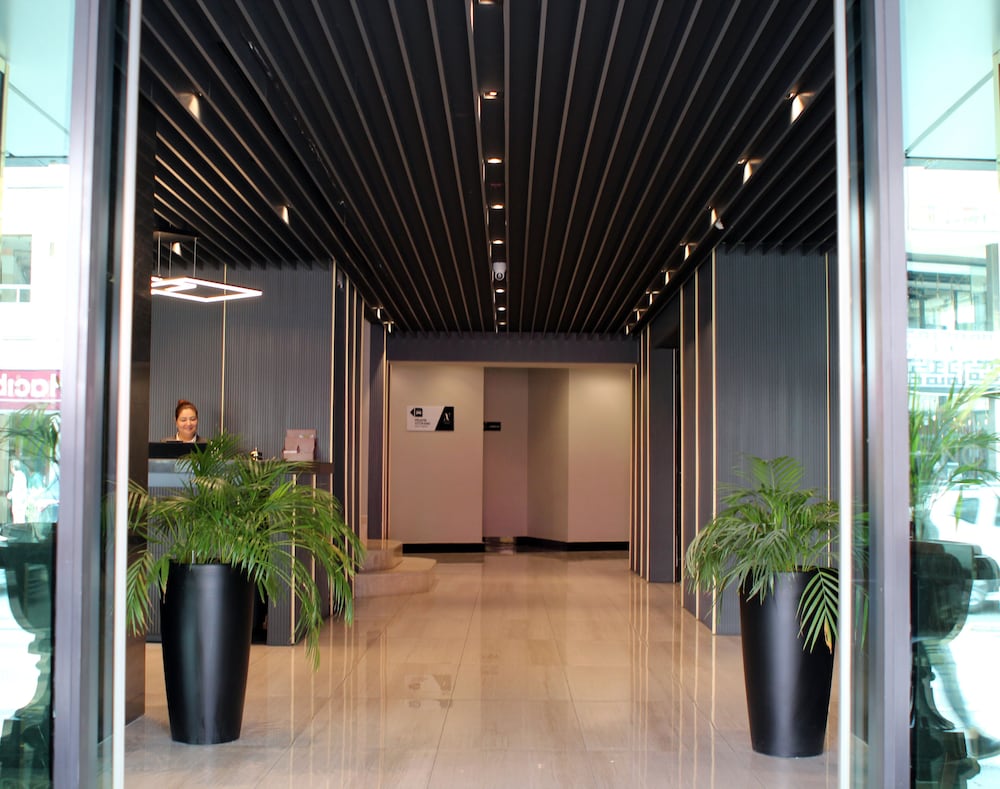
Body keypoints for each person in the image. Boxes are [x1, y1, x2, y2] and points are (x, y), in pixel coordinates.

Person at [6, 458, 28, 523]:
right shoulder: (21, 475)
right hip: (20, 504)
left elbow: (17, 491)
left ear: (13, 467)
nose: (10, 469)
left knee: (18, 522)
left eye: (10, 466)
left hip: (18, 504)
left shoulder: (18, 476)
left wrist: (10, 495)